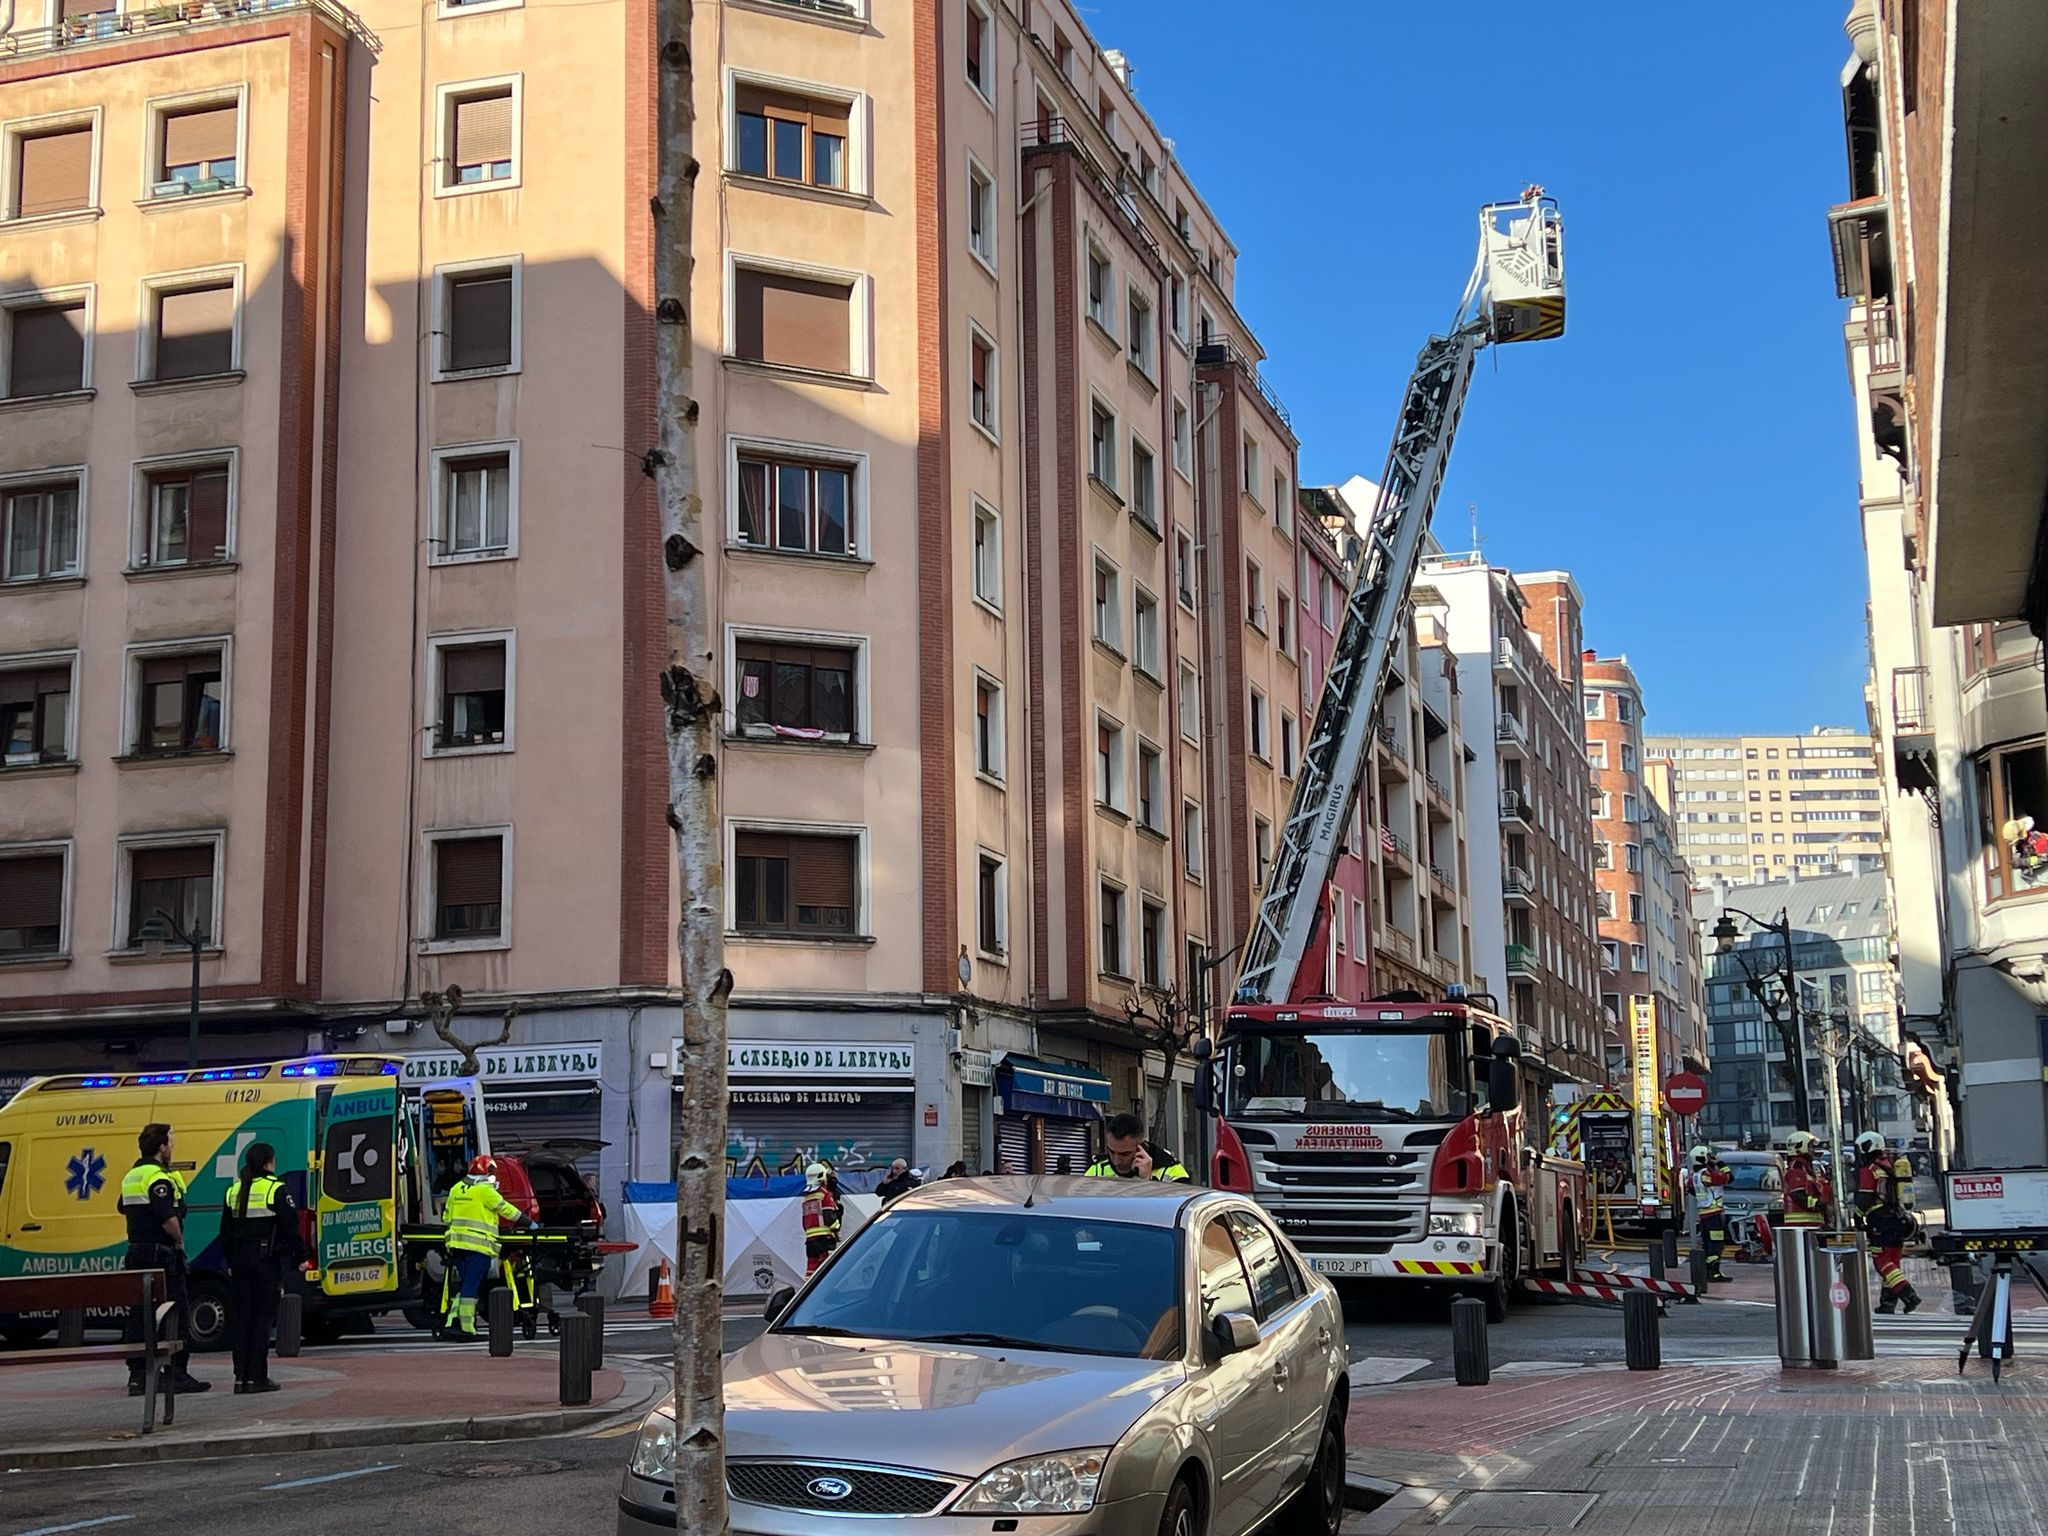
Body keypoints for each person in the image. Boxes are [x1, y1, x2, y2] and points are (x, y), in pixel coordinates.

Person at [119, 1122, 208, 1396]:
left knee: (140, 1314)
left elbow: (122, 1206)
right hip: (162, 1255)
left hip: (137, 1252)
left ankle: (137, 1376)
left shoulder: (132, 1176)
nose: (172, 1146)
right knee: (176, 1312)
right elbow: (167, 1217)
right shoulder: (158, 1178)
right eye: (171, 1142)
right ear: (161, 1147)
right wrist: (179, 1243)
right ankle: (176, 1373)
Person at [220, 1140, 302, 1394]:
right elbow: (291, 1228)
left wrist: (231, 1263)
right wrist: (299, 1258)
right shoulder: (275, 1190)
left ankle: (240, 1377)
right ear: (269, 1162)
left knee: (242, 1319)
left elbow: (225, 1234)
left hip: (240, 1265)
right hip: (266, 1264)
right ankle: (257, 1376)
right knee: (262, 1320)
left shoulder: (233, 1191)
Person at [441, 1154, 532, 1338]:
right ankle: (466, 1329)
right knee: (471, 1287)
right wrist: (528, 1222)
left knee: (464, 1284)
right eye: (492, 1171)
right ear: (486, 1172)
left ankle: (452, 1322)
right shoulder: (484, 1190)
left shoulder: (456, 1189)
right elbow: (505, 1208)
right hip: (478, 1247)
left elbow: (446, 1217)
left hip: (456, 1246)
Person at [1854, 1131, 1922, 1314]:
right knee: (1893, 1262)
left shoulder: (1869, 1170)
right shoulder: (1888, 1165)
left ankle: (1909, 1295)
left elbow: (1865, 1198)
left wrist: (1858, 1215)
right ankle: (1887, 1304)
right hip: (1896, 1218)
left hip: (1879, 1220)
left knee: (1882, 1262)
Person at [1083, 1113, 1191, 1182]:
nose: (1116, 1161)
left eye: (1124, 1154)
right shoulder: (1097, 1170)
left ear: (1142, 1147)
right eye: (1111, 1152)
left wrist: (1149, 1180)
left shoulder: (1171, 1172)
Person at [1684, 1145, 1733, 1282]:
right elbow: (1729, 1177)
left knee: (1708, 1244)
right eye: (1708, 1156)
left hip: (1705, 1215)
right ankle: (1714, 1273)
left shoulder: (1694, 1176)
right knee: (1716, 1245)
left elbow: (1692, 1191)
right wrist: (1720, 1164)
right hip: (1713, 1216)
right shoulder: (1707, 1175)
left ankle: (1709, 1272)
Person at [1781, 1131, 1831, 1233]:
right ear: (1800, 1146)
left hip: (1810, 1225)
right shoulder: (1796, 1168)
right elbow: (1797, 1194)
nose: (1813, 1150)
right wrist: (1817, 1204)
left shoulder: (1806, 1168)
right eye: (1810, 1146)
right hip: (1801, 1227)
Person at [801, 1162, 842, 1274]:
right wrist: (837, 1227)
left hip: (810, 1241)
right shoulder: (824, 1194)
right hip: (824, 1240)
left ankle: (808, 1290)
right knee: (827, 1271)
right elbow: (829, 1218)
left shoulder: (807, 1197)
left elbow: (804, 1223)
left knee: (811, 1271)